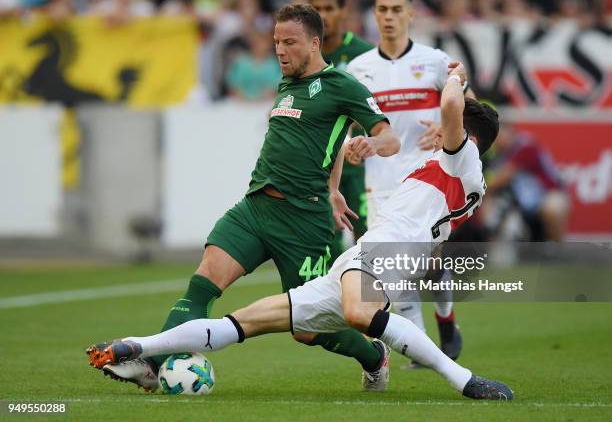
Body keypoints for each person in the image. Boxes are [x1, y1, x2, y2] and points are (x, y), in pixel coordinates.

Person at [87, 61, 513, 401]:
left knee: (358, 314)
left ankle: (465, 380)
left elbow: (453, 107)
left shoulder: (465, 161)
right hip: (365, 255)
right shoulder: (450, 167)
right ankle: (135, 346)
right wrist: (338, 179)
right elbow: (428, 126)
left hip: (388, 253)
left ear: (468, 137)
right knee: (246, 322)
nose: (437, 131)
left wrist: (456, 76)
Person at [94, 3, 400, 392]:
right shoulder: (287, 83)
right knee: (204, 282)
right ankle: (151, 365)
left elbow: (390, 137)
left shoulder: (342, 84)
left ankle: (374, 355)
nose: (280, 50)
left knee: (308, 330)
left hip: (304, 222)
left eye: (289, 42)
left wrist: (370, 144)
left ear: (314, 42)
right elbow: (323, 142)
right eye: (276, 42)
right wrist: (334, 186)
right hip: (255, 208)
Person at [347, 0, 476, 367]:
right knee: (395, 272)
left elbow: (470, 103)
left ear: (410, 13)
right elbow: (349, 125)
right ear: (375, 13)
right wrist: (351, 146)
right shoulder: (358, 69)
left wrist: (448, 126)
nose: (389, 17)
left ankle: (447, 319)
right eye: (382, 10)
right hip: (381, 184)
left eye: (396, 10)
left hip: (428, 179)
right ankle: (424, 348)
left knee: (432, 261)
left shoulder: (435, 61)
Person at [308, 0, 374, 261]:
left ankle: (372, 299)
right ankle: (331, 297)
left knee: (367, 235)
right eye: (316, 8)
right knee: (323, 236)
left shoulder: (365, 54)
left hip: (358, 163)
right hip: (318, 163)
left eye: (329, 8)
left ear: (343, 11)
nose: (323, 15)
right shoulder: (305, 55)